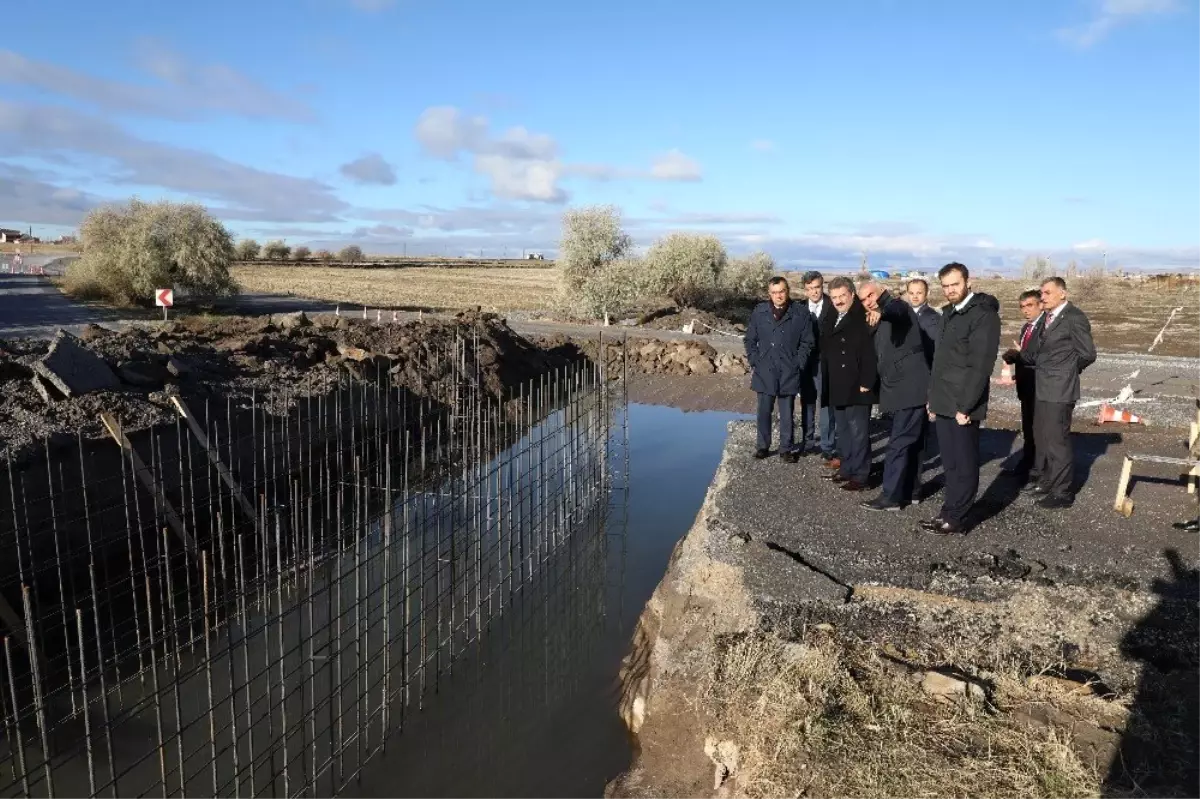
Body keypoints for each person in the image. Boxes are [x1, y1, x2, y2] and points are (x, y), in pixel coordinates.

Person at [923, 263, 1001, 535]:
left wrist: (966, 405)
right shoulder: (948, 313)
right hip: (943, 400)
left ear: (968, 282)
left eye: (955, 284)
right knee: (951, 462)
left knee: (965, 462)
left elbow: (981, 364)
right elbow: (940, 361)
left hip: (962, 404)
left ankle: (957, 517)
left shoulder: (983, 315)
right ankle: (948, 510)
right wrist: (932, 397)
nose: (950, 290)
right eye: (945, 286)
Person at [1009, 277, 1096, 508]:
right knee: (1044, 438)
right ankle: (1048, 481)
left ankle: (1063, 492)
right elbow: (1036, 353)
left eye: (1047, 293)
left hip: (1060, 389)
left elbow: (1088, 353)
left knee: (1058, 441)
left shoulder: (1074, 317)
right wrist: (1019, 355)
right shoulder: (1047, 318)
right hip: (1041, 387)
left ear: (1062, 294)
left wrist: (1066, 370)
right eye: (1042, 293)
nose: (1043, 297)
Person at [861, 279, 943, 511]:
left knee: (898, 444)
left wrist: (883, 309)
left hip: (911, 388)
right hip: (900, 390)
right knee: (911, 443)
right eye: (864, 299)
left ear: (882, 292)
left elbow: (895, 310)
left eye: (871, 295)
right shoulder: (878, 318)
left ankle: (891, 497)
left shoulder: (898, 308)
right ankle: (910, 492)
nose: (869, 301)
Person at [744, 276, 815, 462]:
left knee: (787, 413)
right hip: (765, 370)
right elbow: (750, 340)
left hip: (789, 370)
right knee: (763, 412)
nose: (778, 296)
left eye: (782, 291)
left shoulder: (800, 313)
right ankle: (762, 446)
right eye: (774, 293)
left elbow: (808, 342)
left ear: (788, 291)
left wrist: (799, 363)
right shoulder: (759, 312)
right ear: (769, 294)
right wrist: (754, 361)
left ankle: (786, 449)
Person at [820, 277, 877, 491]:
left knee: (859, 431)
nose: (838, 301)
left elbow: (871, 352)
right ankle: (847, 467)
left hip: (857, 382)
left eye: (842, 296)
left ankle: (861, 475)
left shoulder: (863, 317)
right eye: (834, 297)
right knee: (843, 429)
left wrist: (867, 380)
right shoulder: (832, 315)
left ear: (852, 295)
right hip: (837, 381)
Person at [1000, 290, 1045, 483]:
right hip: (1026, 385)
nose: (1025, 310)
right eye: (1022, 306)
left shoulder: (1045, 327)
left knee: (1039, 429)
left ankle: (1038, 468)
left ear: (1040, 305)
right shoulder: (1027, 327)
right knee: (1028, 427)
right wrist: (1013, 355)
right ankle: (1027, 462)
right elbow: (1025, 352)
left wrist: (1021, 354)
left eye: (1030, 305)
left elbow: (1040, 356)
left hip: (1040, 386)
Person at [798, 271, 839, 461]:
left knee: (826, 405)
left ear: (822, 286)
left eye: (817, 287)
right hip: (806, 363)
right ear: (805, 290)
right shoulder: (799, 309)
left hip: (827, 362)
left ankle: (828, 445)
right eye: (810, 289)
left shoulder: (834, 305)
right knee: (807, 403)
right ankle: (807, 443)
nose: (814, 292)